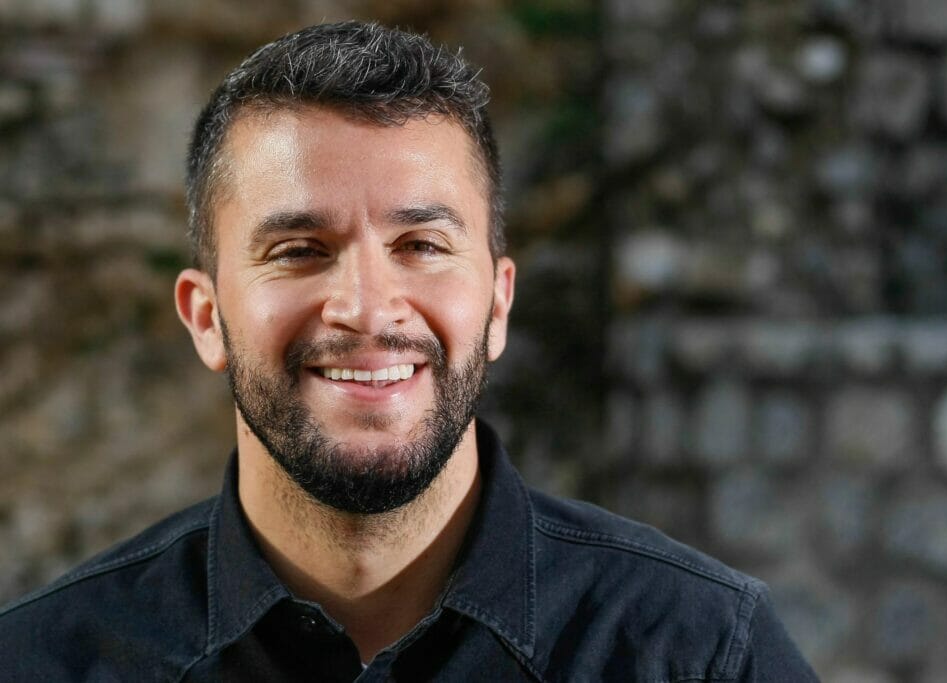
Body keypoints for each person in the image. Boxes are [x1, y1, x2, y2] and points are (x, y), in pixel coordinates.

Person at [0, 21, 817, 681]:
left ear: (497, 302)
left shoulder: (704, 652)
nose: (366, 307)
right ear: (205, 316)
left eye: (421, 244)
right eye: (298, 249)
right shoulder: (41, 661)